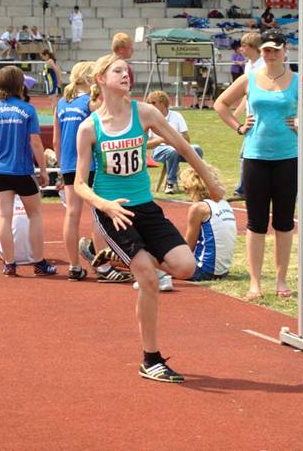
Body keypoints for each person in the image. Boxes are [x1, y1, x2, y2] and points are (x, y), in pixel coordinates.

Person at [74, 53, 224, 383]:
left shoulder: (145, 113)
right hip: (113, 212)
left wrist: (210, 181)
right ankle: (151, 359)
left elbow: (183, 148)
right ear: (101, 78)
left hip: (146, 208)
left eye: (127, 71)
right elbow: (79, 184)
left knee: (185, 267)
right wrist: (106, 204)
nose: (126, 75)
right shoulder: (90, 128)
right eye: (118, 71)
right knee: (149, 278)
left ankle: (119, 255)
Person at [214, 29, 303, 300]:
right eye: (265, 50)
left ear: (285, 50)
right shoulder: (250, 78)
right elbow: (220, 104)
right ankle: (255, 282)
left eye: (274, 50)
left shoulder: (299, 81)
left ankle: (281, 280)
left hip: (287, 159)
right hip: (255, 157)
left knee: (283, 222)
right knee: (256, 223)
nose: (269, 54)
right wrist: (238, 126)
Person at [0, 66, 57, 277]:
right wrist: (44, 170)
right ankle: (39, 263)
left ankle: (9, 264)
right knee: (35, 215)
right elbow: (35, 142)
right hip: (22, 170)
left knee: (4, 218)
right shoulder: (27, 110)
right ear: (20, 84)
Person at [54, 61, 123, 282]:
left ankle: (74, 266)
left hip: (67, 165)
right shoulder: (91, 103)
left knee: (72, 214)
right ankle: (102, 268)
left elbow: (56, 140)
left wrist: (60, 167)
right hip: (90, 165)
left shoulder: (62, 103)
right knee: (99, 215)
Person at [179, 165, 236, 281]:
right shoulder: (225, 204)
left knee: (161, 258)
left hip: (203, 270)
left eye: (185, 189)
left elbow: (188, 247)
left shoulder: (199, 208)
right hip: (223, 270)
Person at [145, 90, 203, 195]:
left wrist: (174, 140)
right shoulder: (149, 119)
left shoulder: (177, 116)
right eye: (149, 103)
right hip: (159, 150)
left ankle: (195, 181)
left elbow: (186, 139)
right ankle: (170, 182)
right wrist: (161, 140)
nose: (150, 105)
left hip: (179, 147)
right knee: (172, 151)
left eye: (153, 103)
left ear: (162, 104)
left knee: (197, 149)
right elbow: (145, 145)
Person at [232, 32, 265, 200]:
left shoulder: (261, 66)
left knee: (247, 155)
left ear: (253, 47)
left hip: (261, 117)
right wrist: (238, 111)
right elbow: (247, 93)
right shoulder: (249, 66)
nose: (241, 49)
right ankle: (246, 188)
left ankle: (243, 190)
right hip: (251, 117)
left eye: (244, 46)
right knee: (248, 155)